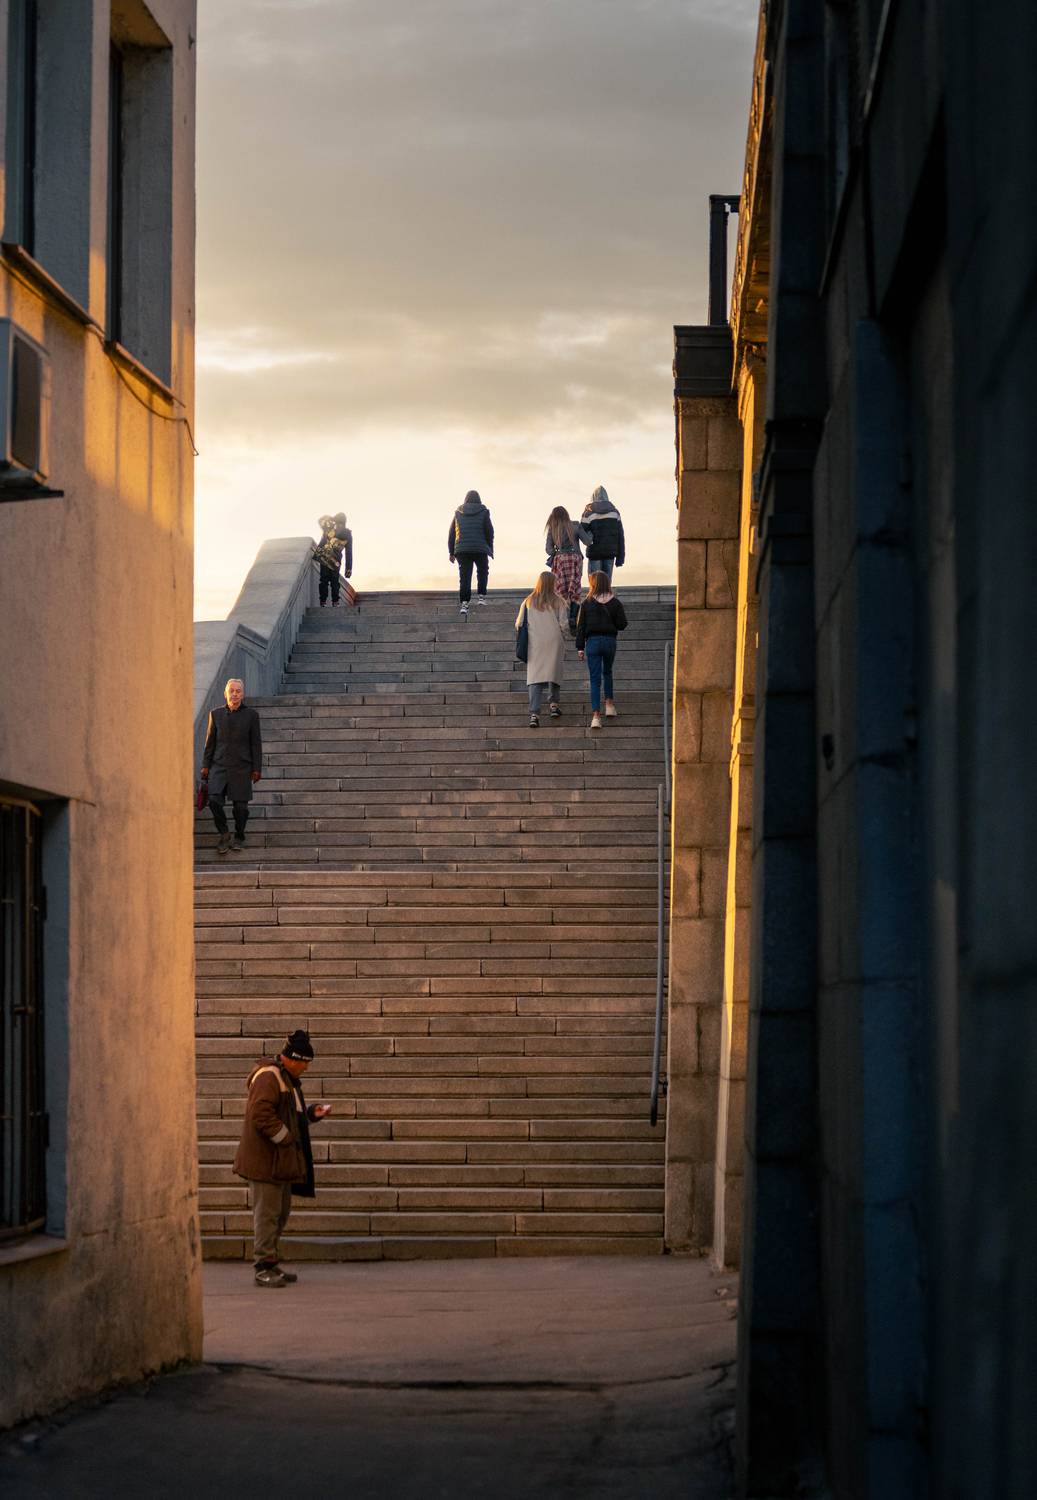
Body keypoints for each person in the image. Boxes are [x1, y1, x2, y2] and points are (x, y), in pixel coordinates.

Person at [233, 1029, 333, 1288]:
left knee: (280, 1213)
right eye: (305, 1062)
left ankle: (271, 1261)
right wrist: (286, 1138)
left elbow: (291, 1115)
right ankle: (262, 1267)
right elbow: (260, 1114)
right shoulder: (270, 1076)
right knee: (267, 1215)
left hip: (280, 1162)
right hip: (266, 1162)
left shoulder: (286, 1078)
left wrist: (311, 1114)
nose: (306, 1068)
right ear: (293, 1058)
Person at [201, 678, 262, 853]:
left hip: (242, 767)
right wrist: (205, 765)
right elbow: (210, 743)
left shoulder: (251, 715)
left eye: (238, 691)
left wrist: (257, 768)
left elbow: (255, 744)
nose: (234, 694)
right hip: (219, 766)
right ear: (225, 693)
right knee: (214, 801)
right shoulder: (215, 714)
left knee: (240, 808)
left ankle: (239, 836)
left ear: (243, 694)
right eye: (231, 691)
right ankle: (224, 833)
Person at [575, 571, 628, 729]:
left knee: (595, 679)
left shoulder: (586, 603)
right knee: (608, 672)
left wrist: (580, 647)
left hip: (592, 642)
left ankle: (596, 717)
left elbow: (580, 627)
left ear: (593, 584)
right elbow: (622, 624)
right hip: (609, 641)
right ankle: (609, 705)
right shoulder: (615, 603)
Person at [516, 571, 568, 728]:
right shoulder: (559, 601)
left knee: (535, 677)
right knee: (554, 672)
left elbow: (519, 623)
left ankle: (534, 714)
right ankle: (554, 705)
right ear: (552, 583)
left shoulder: (528, 601)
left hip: (535, 643)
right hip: (554, 641)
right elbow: (564, 624)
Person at [545, 506, 592, 632]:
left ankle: (562, 618)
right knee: (575, 589)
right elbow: (588, 542)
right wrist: (590, 533)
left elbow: (548, 549)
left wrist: (556, 550)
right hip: (575, 559)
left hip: (560, 561)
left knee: (560, 590)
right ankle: (573, 618)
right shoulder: (575, 525)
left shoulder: (552, 528)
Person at [448, 489, 494, 618]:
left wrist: (451, 552)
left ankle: (464, 603)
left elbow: (452, 533)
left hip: (462, 549)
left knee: (465, 576)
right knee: (482, 571)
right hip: (480, 548)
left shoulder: (458, 513)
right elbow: (489, 531)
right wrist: (490, 548)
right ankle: (481, 597)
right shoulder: (484, 512)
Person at [580, 486, 625, 580]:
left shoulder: (588, 513)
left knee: (594, 584)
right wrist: (620, 558)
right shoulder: (615, 513)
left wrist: (590, 535)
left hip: (594, 553)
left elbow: (581, 533)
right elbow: (620, 536)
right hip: (610, 553)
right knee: (606, 584)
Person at [315, 511, 353, 607]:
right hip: (336, 560)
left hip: (325, 556)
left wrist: (332, 518)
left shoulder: (330, 527)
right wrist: (348, 568)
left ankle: (323, 601)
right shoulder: (348, 534)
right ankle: (335, 602)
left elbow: (320, 520)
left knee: (324, 580)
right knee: (335, 581)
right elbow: (349, 552)